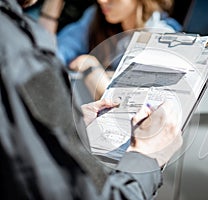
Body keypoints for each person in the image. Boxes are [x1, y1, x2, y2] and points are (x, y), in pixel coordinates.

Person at [0, 0, 183, 199]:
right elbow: (50, 57)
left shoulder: (166, 38)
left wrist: (97, 78)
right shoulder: (92, 20)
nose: (102, 0)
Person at [56, 0, 182, 100]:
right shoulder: (95, 17)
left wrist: (93, 70)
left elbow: (127, 108)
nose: (101, 1)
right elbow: (60, 50)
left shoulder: (163, 37)